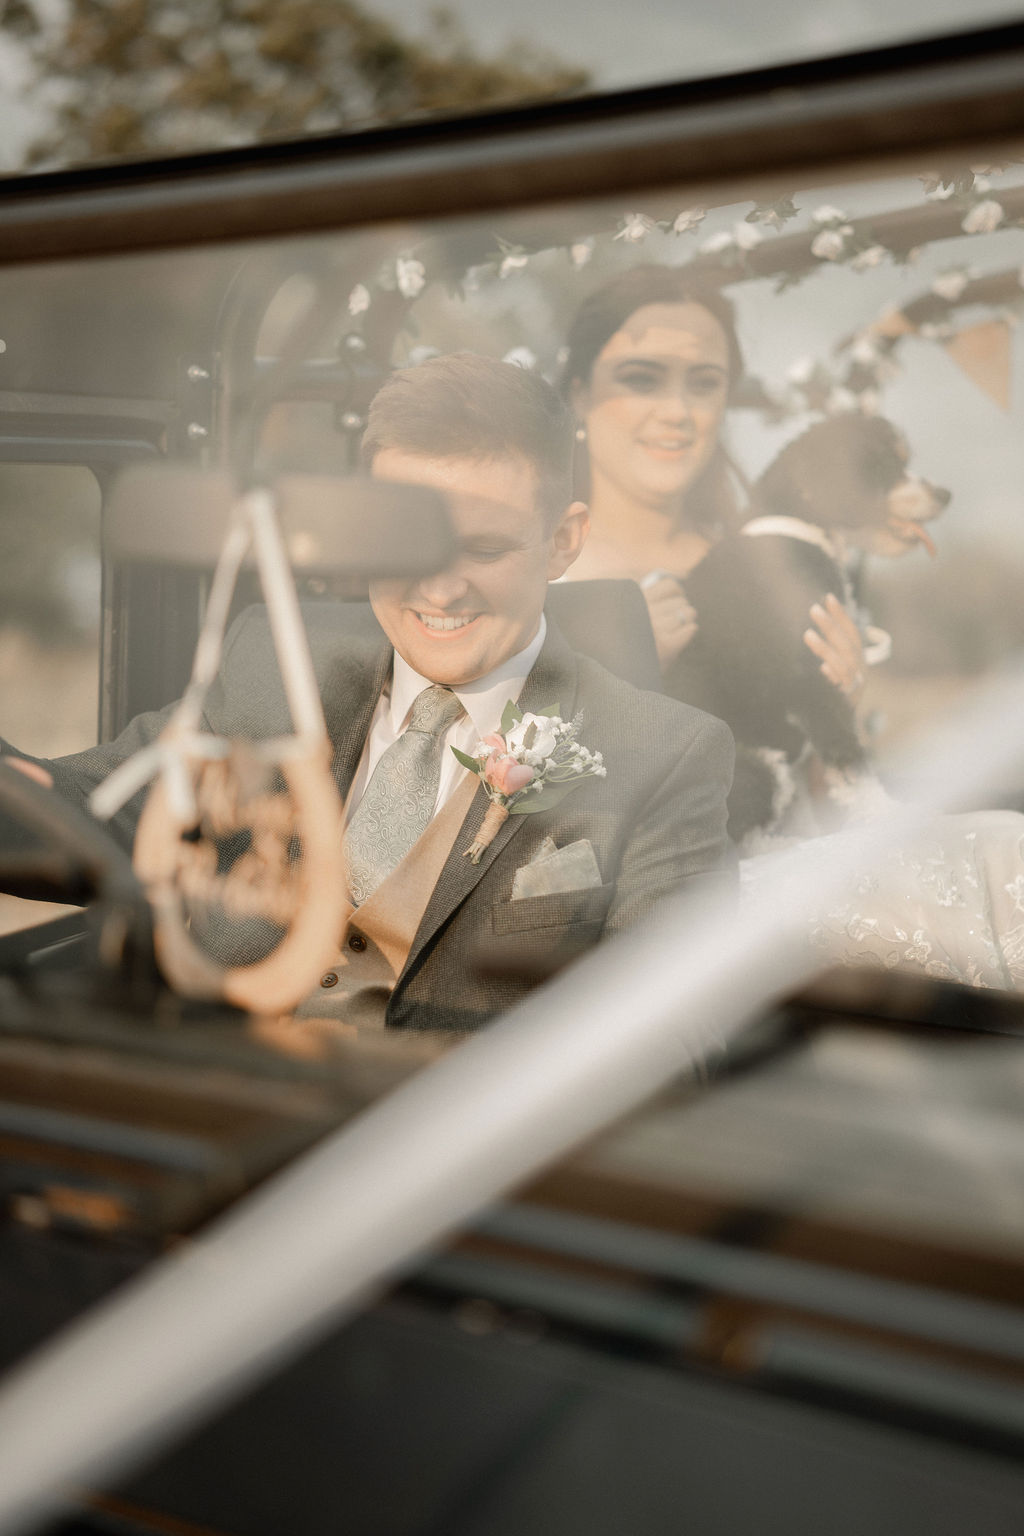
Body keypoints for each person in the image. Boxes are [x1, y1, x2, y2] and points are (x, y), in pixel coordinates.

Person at [1, 353, 735, 1033]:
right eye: (406, 545)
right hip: (207, 1101)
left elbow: (675, 1035)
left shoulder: (665, 754)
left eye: (484, 548)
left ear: (563, 541)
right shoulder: (273, 660)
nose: (441, 587)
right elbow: (91, 808)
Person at [560, 262, 864, 698]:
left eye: (704, 384)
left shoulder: (770, 575)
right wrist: (627, 666)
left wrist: (838, 709)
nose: (677, 412)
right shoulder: (519, 577)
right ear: (581, 394)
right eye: (642, 379)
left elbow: (799, 762)